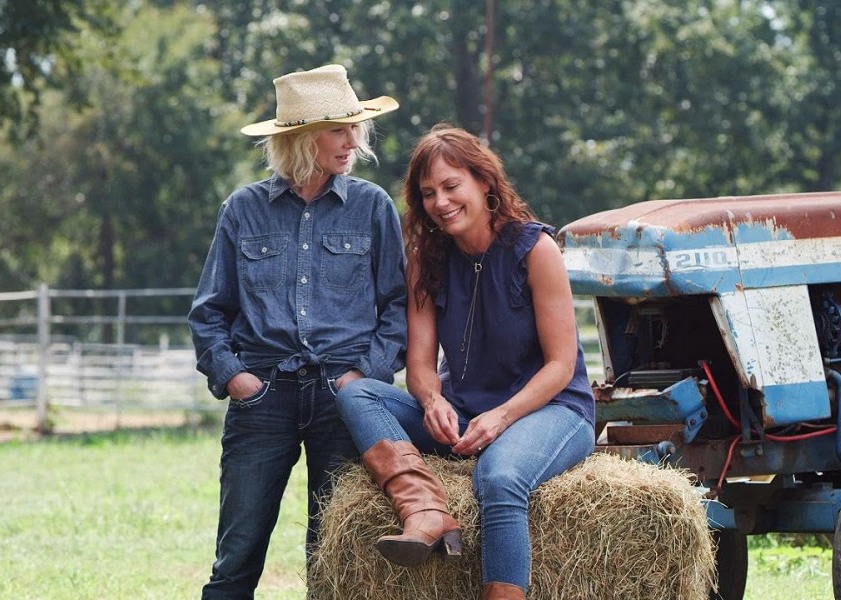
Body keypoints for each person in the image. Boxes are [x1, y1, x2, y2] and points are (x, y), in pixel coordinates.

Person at [336, 124, 596, 600]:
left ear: (484, 182)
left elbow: (560, 366)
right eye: (428, 193)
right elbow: (419, 364)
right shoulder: (426, 259)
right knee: (357, 392)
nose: (441, 202)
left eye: (451, 186)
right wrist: (431, 399)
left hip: (552, 410)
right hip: (465, 415)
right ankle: (426, 511)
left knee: (498, 478)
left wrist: (501, 417)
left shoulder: (536, 250)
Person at [188, 64, 406, 600]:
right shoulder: (242, 210)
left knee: (332, 560)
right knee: (237, 557)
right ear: (302, 138)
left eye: (354, 128)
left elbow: (399, 307)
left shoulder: (372, 206)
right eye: (338, 129)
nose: (352, 141)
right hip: (262, 395)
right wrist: (236, 378)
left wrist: (365, 378)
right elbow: (209, 312)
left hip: (344, 397)